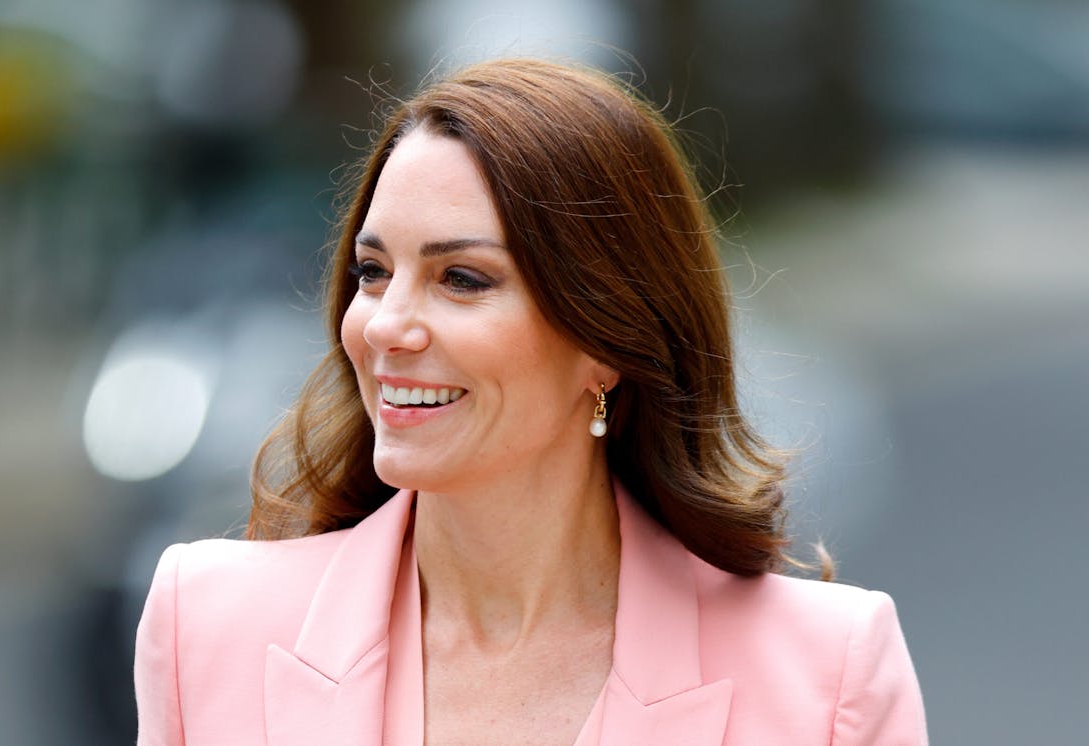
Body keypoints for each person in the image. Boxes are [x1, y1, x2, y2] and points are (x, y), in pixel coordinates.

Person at [134, 58, 927, 744]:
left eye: (461, 279)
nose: (384, 326)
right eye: (374, 272)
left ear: (606, 339)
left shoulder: (828, 674)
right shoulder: (204, 623)